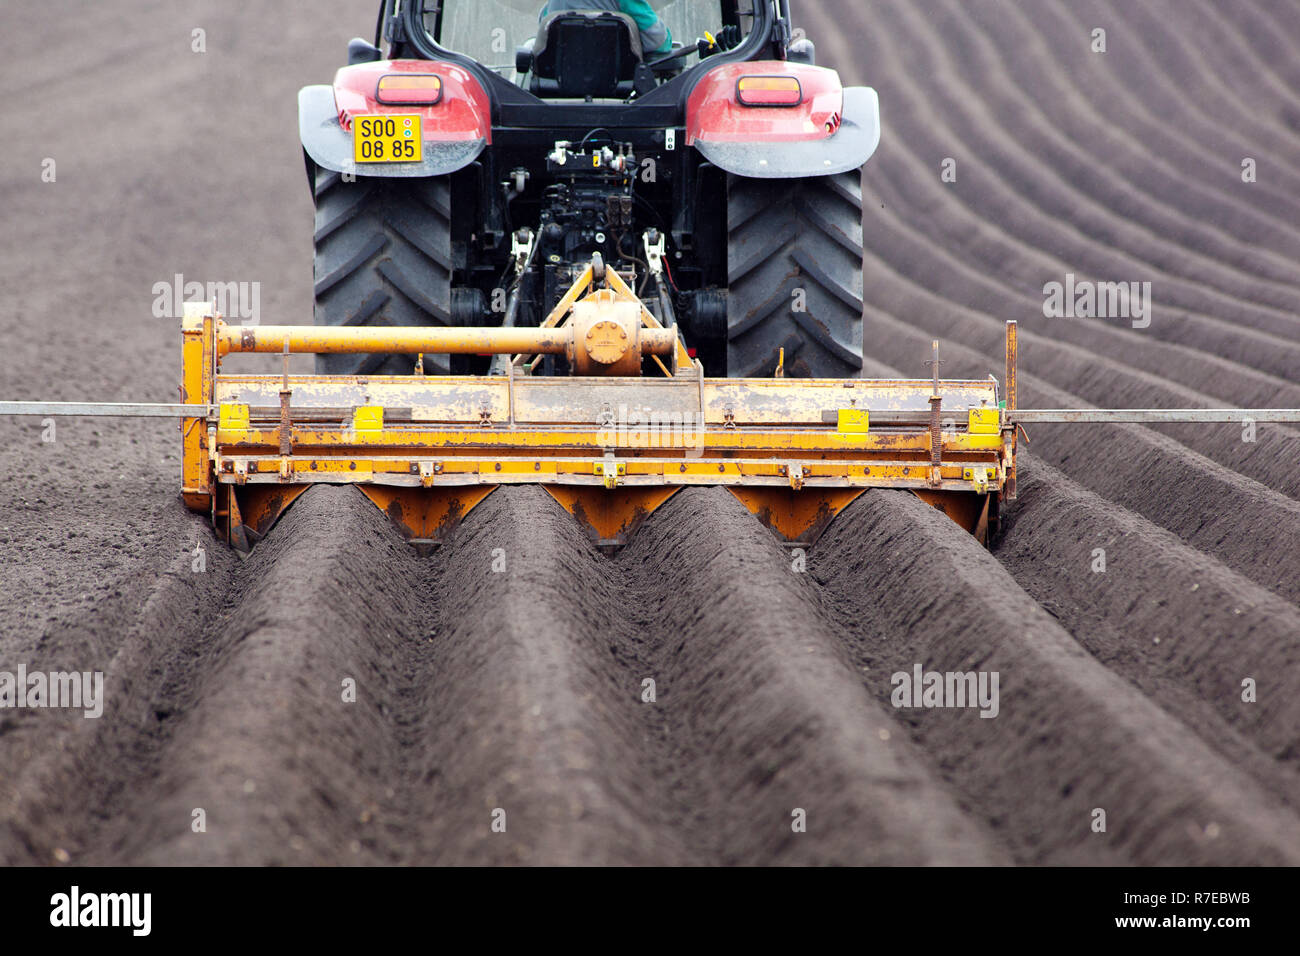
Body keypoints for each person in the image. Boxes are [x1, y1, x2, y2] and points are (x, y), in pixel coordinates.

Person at [538, 1, 673, 56]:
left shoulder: (552, 4)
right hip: (622, 94)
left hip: (559, 92)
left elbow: (543, 30)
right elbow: (657, 40)